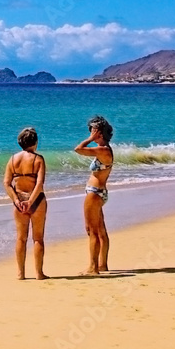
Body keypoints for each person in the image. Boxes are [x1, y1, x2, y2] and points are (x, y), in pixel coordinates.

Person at [3, 127, 48, 280]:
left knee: (21, 238)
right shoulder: (38, 159)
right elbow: (39, 184)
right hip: (37, 201)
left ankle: (20, 273)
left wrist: (17, 200)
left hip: (19, 202)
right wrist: (30, 201)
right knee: (38, 238)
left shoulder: (12, 160)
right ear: (35, 142)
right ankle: (39, 273)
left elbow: (7, 183)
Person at [74, 115, 114, 275]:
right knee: (100, 230)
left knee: (92, 231)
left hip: (95, 193)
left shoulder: (103, 150)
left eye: (92, 130)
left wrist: (90, 139)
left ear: (98, 132)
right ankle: (102, 264)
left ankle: (93, 267)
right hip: (99, 192)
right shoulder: (105, 149)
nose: (90, 132)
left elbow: (78, 149)